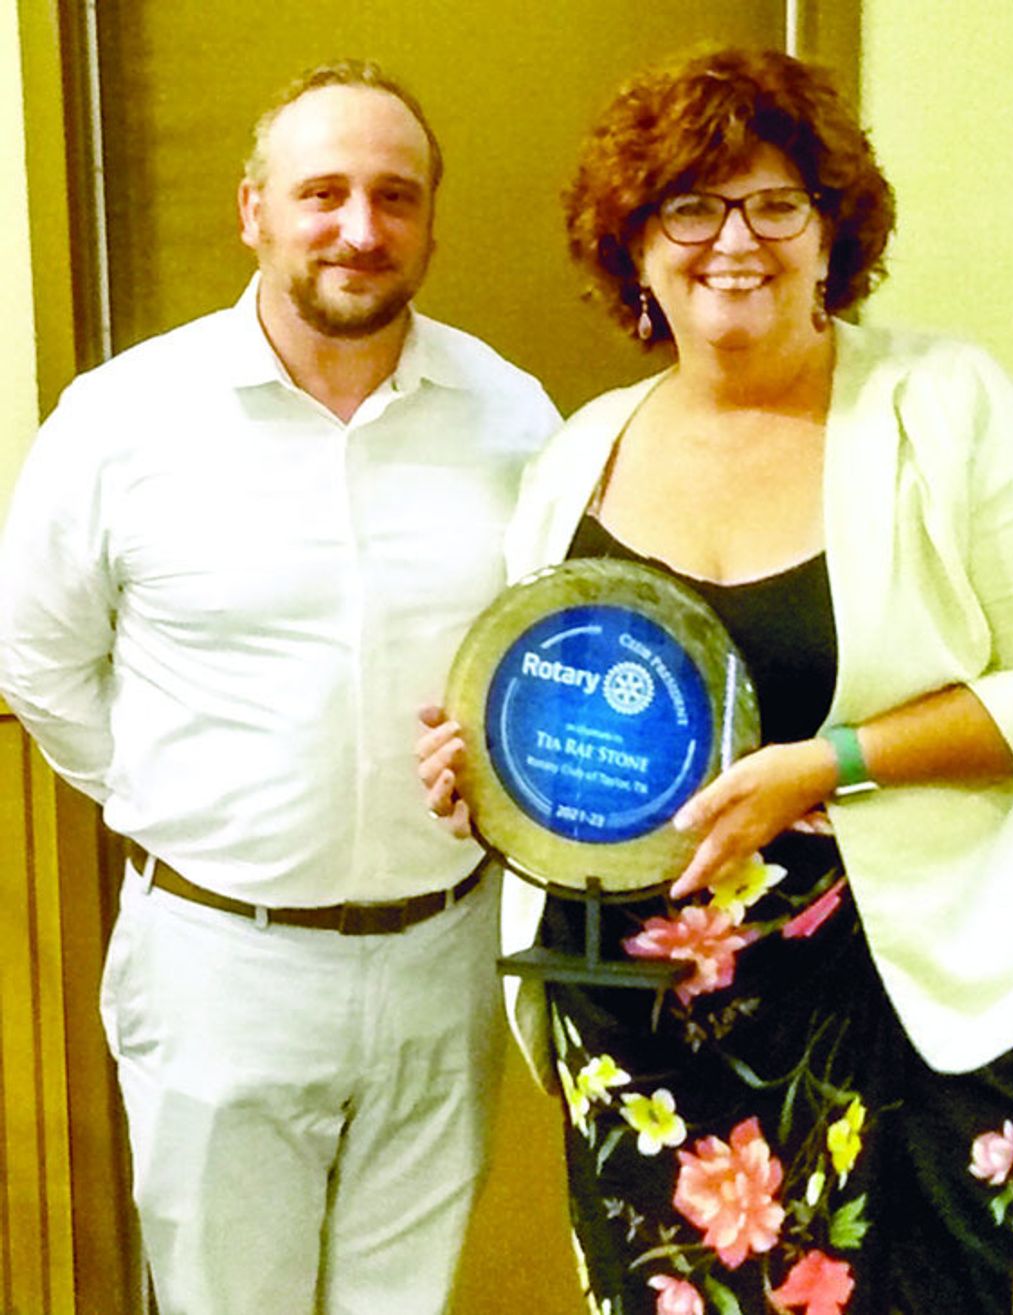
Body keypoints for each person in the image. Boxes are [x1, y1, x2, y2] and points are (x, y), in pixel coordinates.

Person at [417, 46, 1013, 1315]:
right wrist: (484, 769)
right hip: (637, 1044)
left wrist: (833, 762)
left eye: (774, 202)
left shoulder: (943, 409)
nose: (731, 240)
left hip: (894, 1020)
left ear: (831, 233)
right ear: (634, 249)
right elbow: (551, 710)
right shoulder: (582, 451)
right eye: (688, 207)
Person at [0, 59, 559, 1315]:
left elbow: (545, 655)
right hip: (218, 962)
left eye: (394, 196)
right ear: (254, 210)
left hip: (443, 951)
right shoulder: (120, 422)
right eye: (323, 193)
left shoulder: (513, 416)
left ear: (429, 219)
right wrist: (183, 803)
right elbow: (40, 662)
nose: (360, 230)